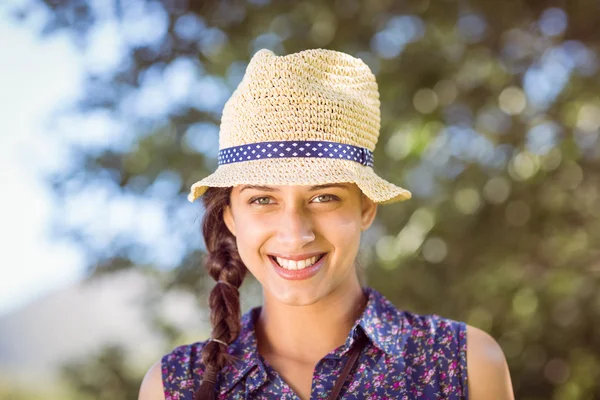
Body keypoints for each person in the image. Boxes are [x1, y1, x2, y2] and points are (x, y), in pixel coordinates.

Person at [138, 48, 514, 400]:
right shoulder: (174, 386)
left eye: (324, 197)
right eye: (263, 200)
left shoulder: (463, 364)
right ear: (231, 217)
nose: (296, 233)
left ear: (366, 208)